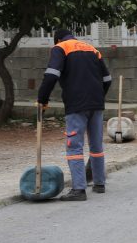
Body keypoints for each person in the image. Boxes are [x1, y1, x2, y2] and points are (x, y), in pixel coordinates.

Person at [37, 29, 112, 201]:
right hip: (97, 103)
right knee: (96, 145)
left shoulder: (60, 48)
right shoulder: (91, 48)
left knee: (74, 146)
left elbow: (51, 75)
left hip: (76, 104)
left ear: (56, 39)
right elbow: (107, 79)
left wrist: (42, 100)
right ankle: (99, 184)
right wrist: (98, 96)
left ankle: (79, 189)